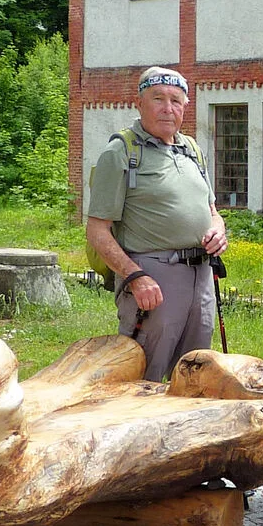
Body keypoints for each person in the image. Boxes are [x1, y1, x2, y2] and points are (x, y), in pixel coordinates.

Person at [86, 66, 228, 383]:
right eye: (158, 98)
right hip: (153, 279)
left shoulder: (192, 149)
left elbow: (212, 209)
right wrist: (135, 277)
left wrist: (218, 228)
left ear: (185, 106)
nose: (168, 108)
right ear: (139, 103)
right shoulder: (121, 151)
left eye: (176, 100)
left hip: (201, 276)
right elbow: (97, 230)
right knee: (142, 377)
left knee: (193, 376)